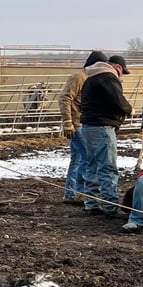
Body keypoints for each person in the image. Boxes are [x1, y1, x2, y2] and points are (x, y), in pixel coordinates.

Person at [79, 54, 133, 216]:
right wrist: (129, 109)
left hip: (88, 126)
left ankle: (91, 202)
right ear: (117, 67)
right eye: (122, 71)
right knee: (108, 167)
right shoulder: (107, 77)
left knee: (92, 164)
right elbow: (117, 100)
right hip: (103, 127)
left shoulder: (90, 78)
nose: (121, 75)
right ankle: (110, 205)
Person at [58, 50, 108, 204]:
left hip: (81, 123)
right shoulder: (79, 77)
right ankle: (78, 192)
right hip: (77, 123)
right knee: (86, 157)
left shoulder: (88, 78)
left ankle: (71, 193)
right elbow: (65, 98)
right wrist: (68, 122)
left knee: (78, 157)